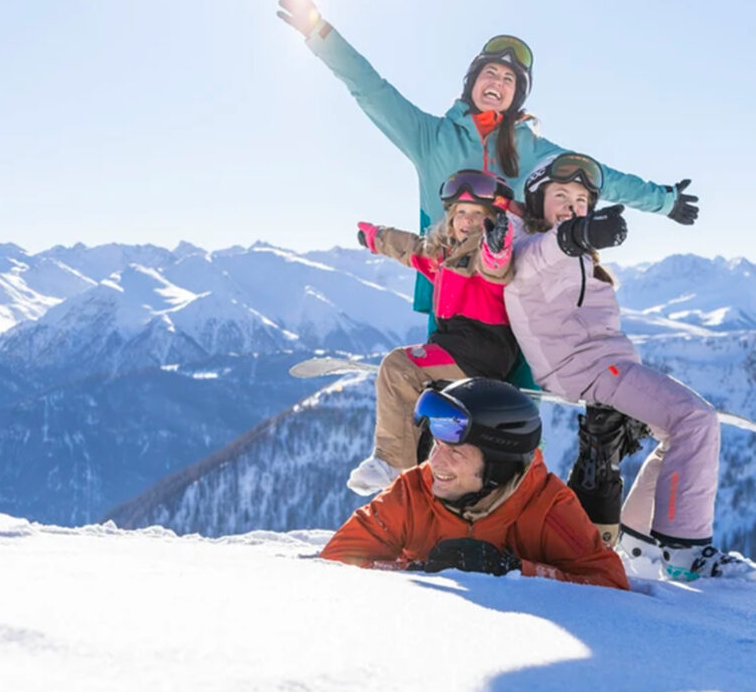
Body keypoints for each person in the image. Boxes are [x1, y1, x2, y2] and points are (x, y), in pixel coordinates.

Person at [276, 0, 699, 325]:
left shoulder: (532, 150)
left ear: (517, 95)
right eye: (489, 73)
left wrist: (665, 201)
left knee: (515, 420)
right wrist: (319, 33)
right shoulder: (430, 138)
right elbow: (370, 88)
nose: (497, 81)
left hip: (516, 296)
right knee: (447, 417)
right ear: (472, 83)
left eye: (509, 79)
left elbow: (600, 177)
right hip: (451, 289)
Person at [503, 152, 755, 580]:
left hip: (603, 365)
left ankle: (638, 543)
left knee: (677, 432)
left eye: (582, 200)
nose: (571, 204)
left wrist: (580, 236)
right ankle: (686, 555)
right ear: (535, 200)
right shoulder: (528, 246)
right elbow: (546, 253)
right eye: (560, 194)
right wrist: (578, 233)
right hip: (585, 369)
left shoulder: (571, 252)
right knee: (695, 419)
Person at [321, 378, 629, 590]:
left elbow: (609, 584)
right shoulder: (413, 492)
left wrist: (514, 571)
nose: (436, 463)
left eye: (454, 451)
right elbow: (338, 558)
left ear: (499, 463)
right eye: (436, 445)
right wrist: (420, 572)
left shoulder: (547, 506)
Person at [348, 170, 518, 496]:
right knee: (423, 406)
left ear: (492, 219)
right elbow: (412, 249)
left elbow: (497, 267)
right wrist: (376, 238)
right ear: (451, 217)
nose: (467, 221)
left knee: (399, 366)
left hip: (480, 349)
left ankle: (392, 462)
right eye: (461, 213)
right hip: (456, 347)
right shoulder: (444, 255)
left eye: (478, 214)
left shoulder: (485, 253)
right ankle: (416, 477)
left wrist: (498, 247)